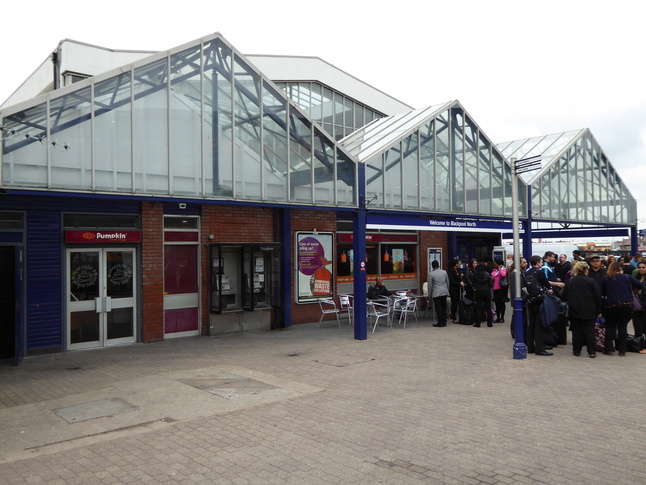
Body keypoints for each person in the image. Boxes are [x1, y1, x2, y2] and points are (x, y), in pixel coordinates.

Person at [561, 261, 603, 358]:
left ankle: (576, 350)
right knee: (589, 331)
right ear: (586, 270)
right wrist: (599, 310)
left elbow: (564, 295)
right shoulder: (591, 281)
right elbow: (597, 296)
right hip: (590, 309)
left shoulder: (570, 281)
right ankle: (591, 351)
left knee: (576, 330)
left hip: (575, 308)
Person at [601, 262, 644, 356]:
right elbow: (641, 285)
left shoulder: (606, 278)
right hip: (627, 305)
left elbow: (603, 292)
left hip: (611, 305)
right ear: (620, 269)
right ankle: (622, 350)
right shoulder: (627, 277)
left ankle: (608, 348)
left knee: (610, 326)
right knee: (622, 327)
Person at [526, 255, 554, 356]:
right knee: (539, 324)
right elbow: (547, 284)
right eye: (541, 262)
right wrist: (550, 289)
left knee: (531, 323)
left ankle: (530, 347)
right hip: (538, 300)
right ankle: (540, 348)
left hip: (530, 300)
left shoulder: (527, 272)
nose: (541, 264)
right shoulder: (539, 272)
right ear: (538, 262)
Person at [509, 257, 528, 339]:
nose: (526, 263)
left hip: (522, 298)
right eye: (524, 262)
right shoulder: (515, 274)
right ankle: (514, 332)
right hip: (518, 298)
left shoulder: (522, 272)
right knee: (516, 315)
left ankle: (516, 331)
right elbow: (514, 287)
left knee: (520, 315)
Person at [428, 260, 450, 327]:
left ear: (432, 266)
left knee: (438, 308)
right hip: (444, 291)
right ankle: (444, 321)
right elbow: (447, 282)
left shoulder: (431, 274)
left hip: (436, 292)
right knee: (444, 307)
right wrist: (447, 290)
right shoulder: (444, 272)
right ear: (439, 265)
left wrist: (429, 295)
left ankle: (440, 322)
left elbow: (430, 286)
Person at [472, 263, 493, 328]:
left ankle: (478, 323)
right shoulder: (487, 274)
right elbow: (490, 284)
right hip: (486, 291)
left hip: (478, 291)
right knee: (488, 308)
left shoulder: (475, 274)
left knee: (478, 307)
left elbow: (473, 282)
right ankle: (489, 323)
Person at [632, 261, 646, 341]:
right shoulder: (636, 277)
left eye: (643, 267)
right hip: (636, 304)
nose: (641, 269)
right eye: (639, 267)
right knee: (637, 325)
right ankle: (639, 343)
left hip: (644, 304)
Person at [491, 258, 508, 323]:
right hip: (495, 288)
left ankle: (502, 317)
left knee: (502, 303)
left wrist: (500, 268)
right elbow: (492, 276)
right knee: (497, 304)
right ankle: (498, 317)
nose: (494, 265)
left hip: (502, 289)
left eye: (495, 264)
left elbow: (503, 275)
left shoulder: (503, 269)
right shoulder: (494, 270)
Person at [447, 259, 464, 323]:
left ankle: (461, 316)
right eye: (458, 263)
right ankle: (454, 317)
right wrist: (459, 283)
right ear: (455, 264)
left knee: (459, 302)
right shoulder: (451, 271)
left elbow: (459, 278)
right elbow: (451, 281)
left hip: (459, 289)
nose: (460, 265)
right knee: (454, 303)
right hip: (453, 289)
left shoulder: (457, 270)